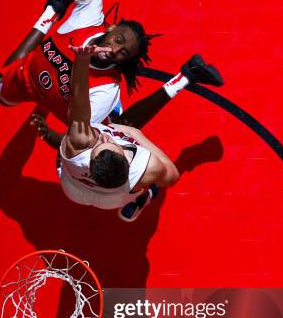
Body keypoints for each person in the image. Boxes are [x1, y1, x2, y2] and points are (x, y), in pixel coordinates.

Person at [0, 0, 224, 126]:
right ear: (110, 29)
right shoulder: (89, 17)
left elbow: (75, 136)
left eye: (123, 52)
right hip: (30, 79)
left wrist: (49, 133)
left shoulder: (106, 88)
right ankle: (52, 12)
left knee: (117, 131)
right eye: (118, 40)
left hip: (76, 113)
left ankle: (184, 77)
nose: (115, 50)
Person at [32, 42, 180, 221]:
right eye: (110, 142)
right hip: (114, 199)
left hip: (73, 190)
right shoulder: (146, 167)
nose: (105, 136)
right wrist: (135, 134)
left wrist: (82, 60)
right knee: (149, 182)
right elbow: (172, 176)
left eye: (100, 143)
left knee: (76, 134)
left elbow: (78, 101)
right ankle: (145, 195)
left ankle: (139, 194)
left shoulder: (79, 142)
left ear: (92, 161)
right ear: (127, 161)